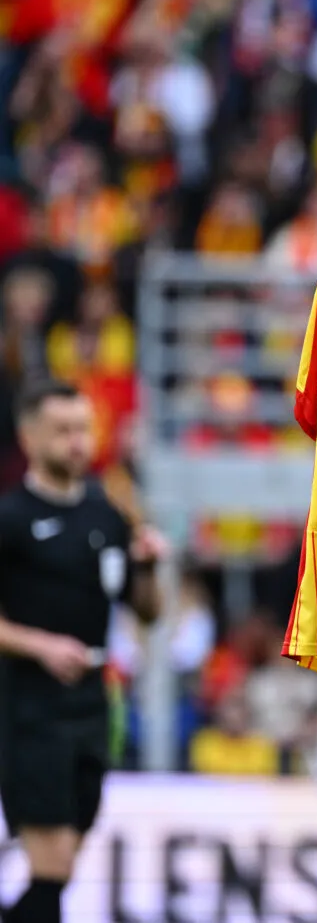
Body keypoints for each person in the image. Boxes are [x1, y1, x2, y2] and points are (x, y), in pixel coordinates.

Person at [0, 380, 165, 923]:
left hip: (93, 702)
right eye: (63, 431)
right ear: (29, 437)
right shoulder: (12, 519)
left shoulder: (106, 515)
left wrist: (147, 566)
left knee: (63, 864)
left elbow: (146, 612)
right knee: (52, 870)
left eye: (83, 429)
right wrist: (39, 646)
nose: (77, 443)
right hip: (28, 706)